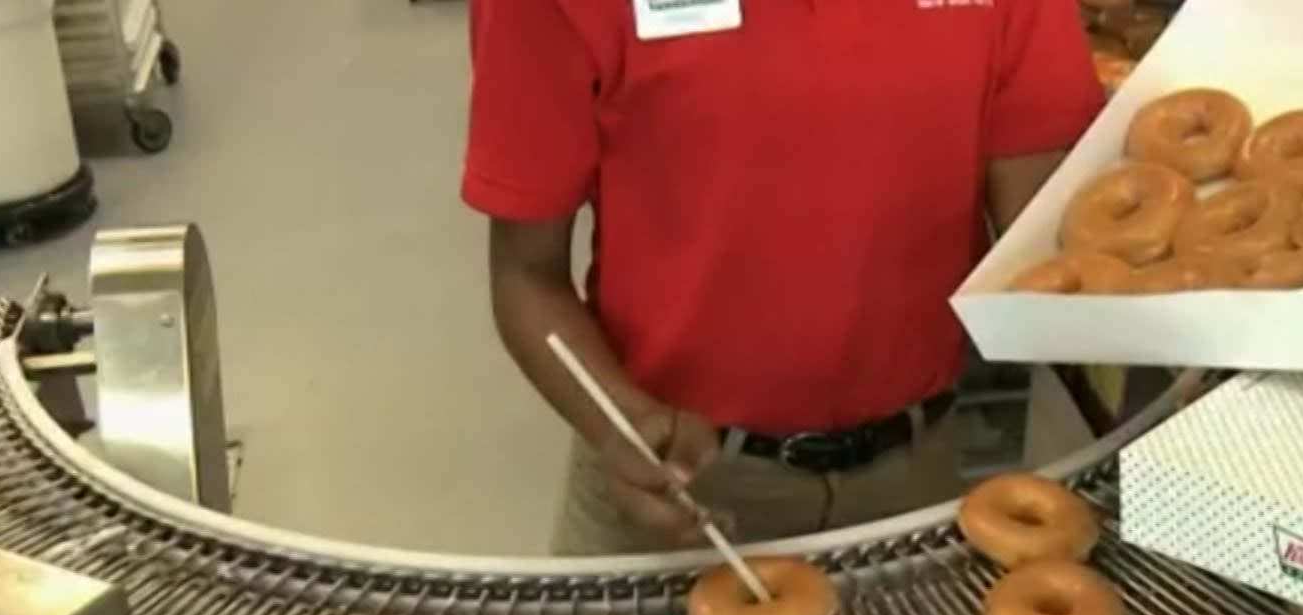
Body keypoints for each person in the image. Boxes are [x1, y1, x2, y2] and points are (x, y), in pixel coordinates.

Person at [462, 0, 1104, 555]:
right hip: (684, 498)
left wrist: (1187, 316)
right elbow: (527, 276)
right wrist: (619, 424)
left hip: (919, 479)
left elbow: (1051, 254)